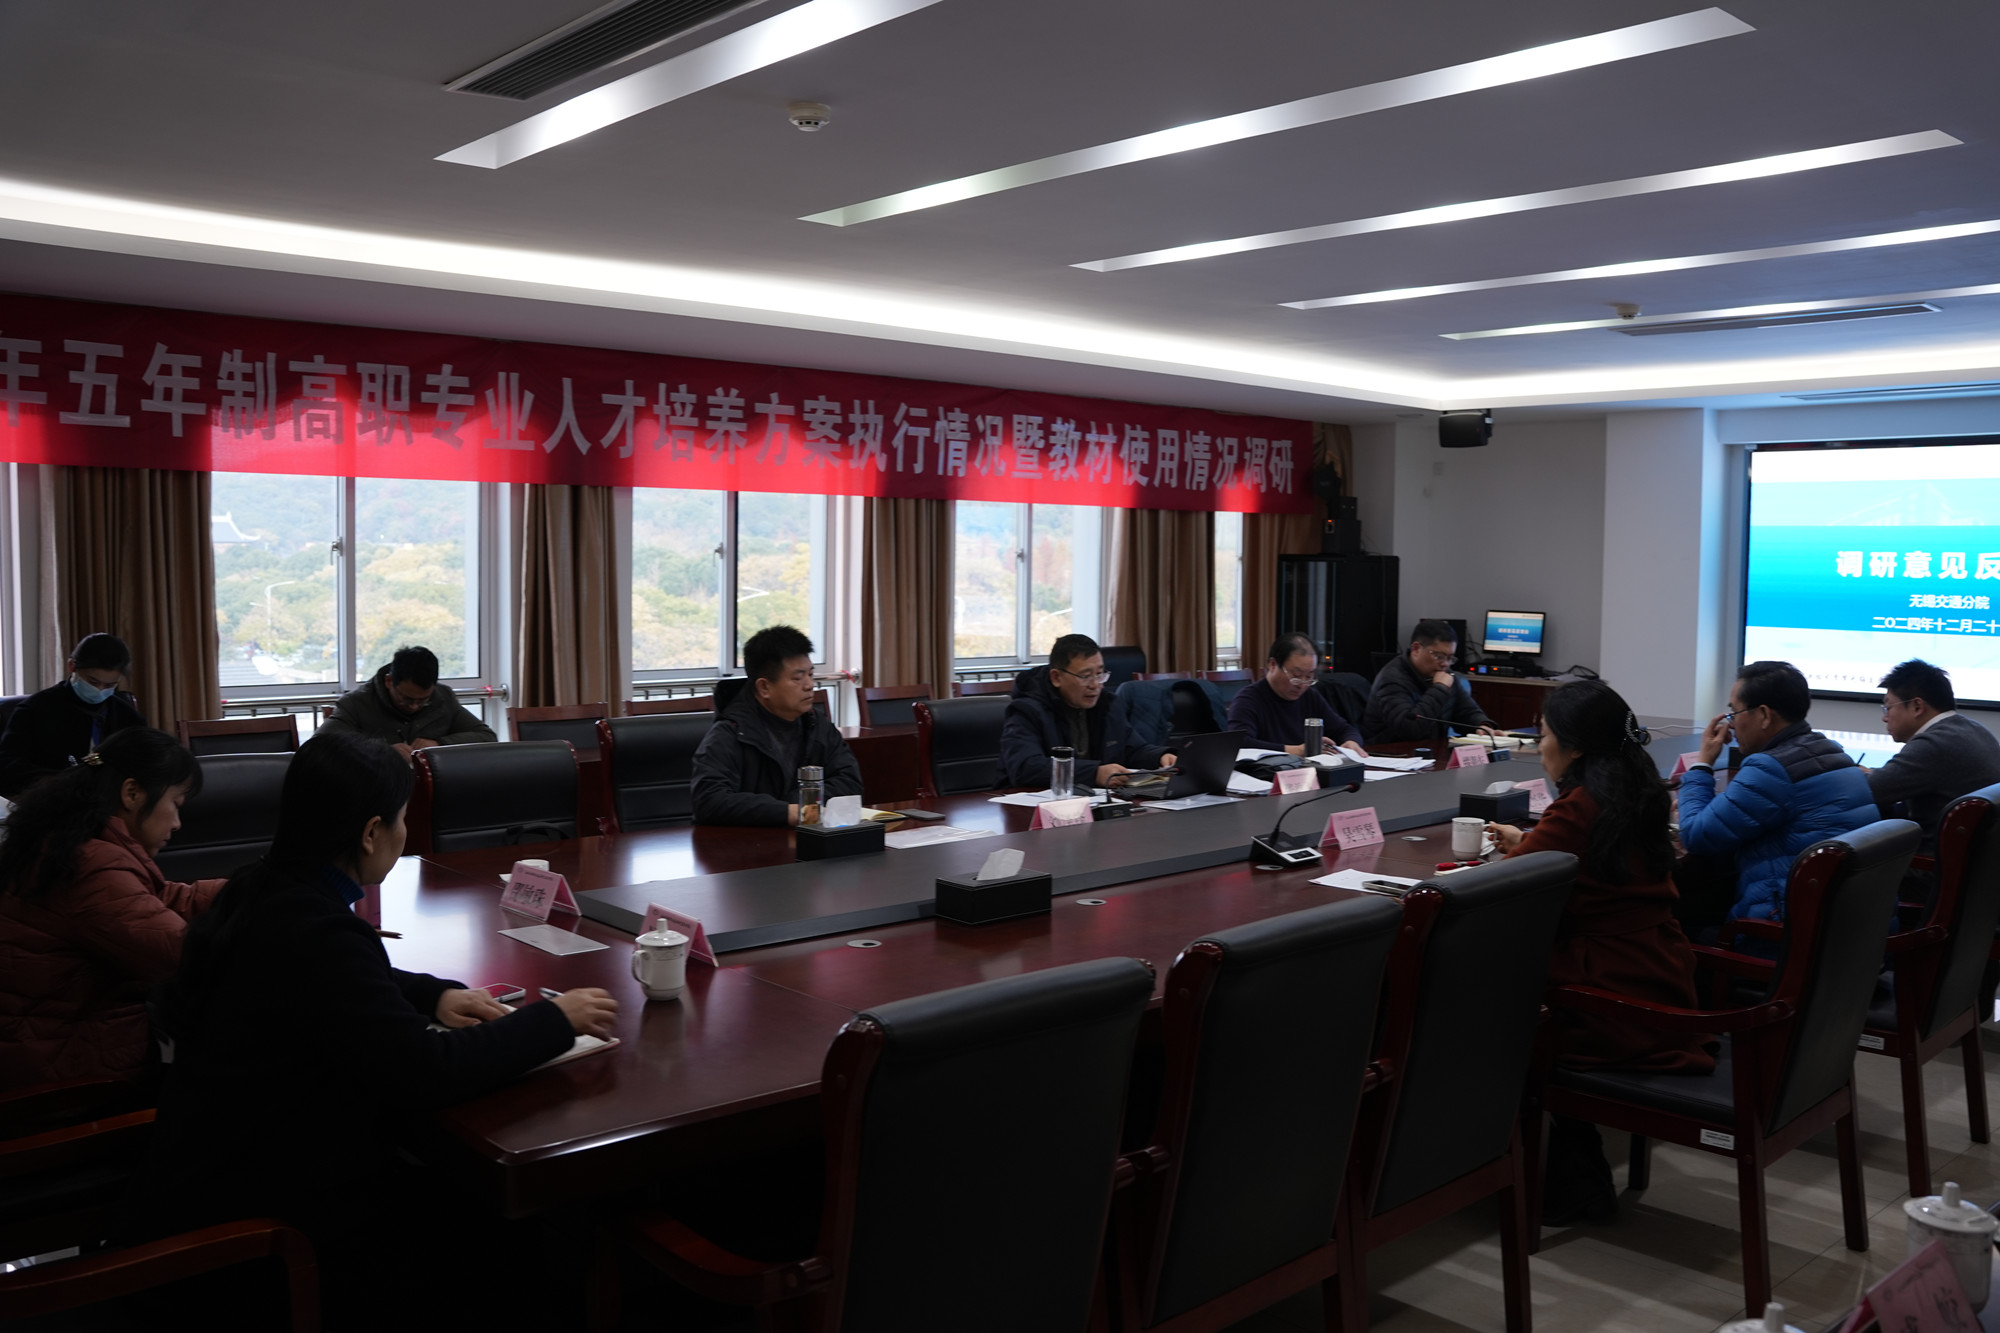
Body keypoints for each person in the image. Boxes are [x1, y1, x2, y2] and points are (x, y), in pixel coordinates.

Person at [125, 731, 618, 1325]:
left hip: (211, 1174)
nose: (405, 832)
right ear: (369, 832)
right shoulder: (320, 932)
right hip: (273, 1220)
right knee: (503, 1225)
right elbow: (426, 1072)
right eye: (403, 819)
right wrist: (553, 1021)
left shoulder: (262, 886)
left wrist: (433, 994)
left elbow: (334, 979)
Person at [1485, 680, 1714, 1225]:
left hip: (1607, 1000)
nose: (1539, 746)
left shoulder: (1578, 807)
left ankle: (1552, 1175)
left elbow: (1506, 891)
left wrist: (1520, 852)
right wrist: (1531, 843)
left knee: (1481, 1010)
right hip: (1660, 976)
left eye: (1543, 735)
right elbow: (1582, 861)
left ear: (1574, 747)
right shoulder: (1639, 790)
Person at [0, 728, 217, 1088]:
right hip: (64, 1070)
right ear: (132, 793)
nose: (178, 823)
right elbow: (182, 954)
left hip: (39, 1044)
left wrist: (251, 886)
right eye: (176, 804)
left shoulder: (71, 838)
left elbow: (157, 901)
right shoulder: (93, 865)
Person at [1677, 660, 1879, 925]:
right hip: (1848, 925)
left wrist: (1702, 764)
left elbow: (1696, 835)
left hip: (1784, 931)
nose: (1731, 725)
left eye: (1734, 713)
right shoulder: (1832, 752)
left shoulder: (1771, 769)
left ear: (1764, 715)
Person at [691, 625, 862, 826]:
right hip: (748, 842)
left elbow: (850, 783)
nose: (809, 685)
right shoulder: (731, 733)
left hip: (807, 836)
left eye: (810, 675)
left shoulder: (816, 724)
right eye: (797, 678)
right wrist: (784, 811)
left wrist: (799, 804)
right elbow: (709, 801)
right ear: (764, 687)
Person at [999, 634, 1174, 789]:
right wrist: (1094, 773)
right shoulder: (1026, 711)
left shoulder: (1108, 705)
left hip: (1092, 800)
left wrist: (1160, 757)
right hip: (1030, 806)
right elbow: (1026, 768)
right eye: (1085, 676)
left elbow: (1131, 749)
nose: (1095, 685)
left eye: (1099, 674)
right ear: (1056, 677)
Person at [1866, 659, 2000, 851]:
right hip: (1976, 860)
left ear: (1917, 707)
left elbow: (1870, 791)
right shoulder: (1974, 729)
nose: (1884, 717)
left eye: (1888, 708)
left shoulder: (1933, 744)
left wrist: (1853, 774)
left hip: (1929, 861)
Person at [0, 632, 146, 797]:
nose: (99, 690)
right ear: (72, 666)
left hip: (110, 799)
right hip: (50, 798)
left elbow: (143, 762)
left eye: (109, 685)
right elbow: (8, 765)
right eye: (93, 682)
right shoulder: (35, 709)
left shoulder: (127, 716)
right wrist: (57, 781)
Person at [320, 645, 496, 758]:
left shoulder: (444, 697)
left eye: (423, 700)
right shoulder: (356, 703)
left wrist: (439, 744)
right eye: (405, 699)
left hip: (434, 787)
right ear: (389, 681)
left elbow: (486, 737)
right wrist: (383, 750)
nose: (413, 706)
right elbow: (320, 746)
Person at [1226, 632, 1368, 758]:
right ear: (1273, 664)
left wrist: (1351, 742)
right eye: (1296, 675)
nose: (1302, 684)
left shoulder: (1310, 696)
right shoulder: (1248, 700)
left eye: (1309, 676)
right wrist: (1294, 750)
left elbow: (1344, 729)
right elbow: (1241, 743)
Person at [1362, 620, 1499, 744]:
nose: (1445, 664)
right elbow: (1410, 730)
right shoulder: (1392, 680)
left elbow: (1466, 710)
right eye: (1439, 656)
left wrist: (1482, 725)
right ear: (1416, 649)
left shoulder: (1445, 674)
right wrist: (1440, 688)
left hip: (1431, 751)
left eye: (1450, 658)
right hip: (1389, 753)